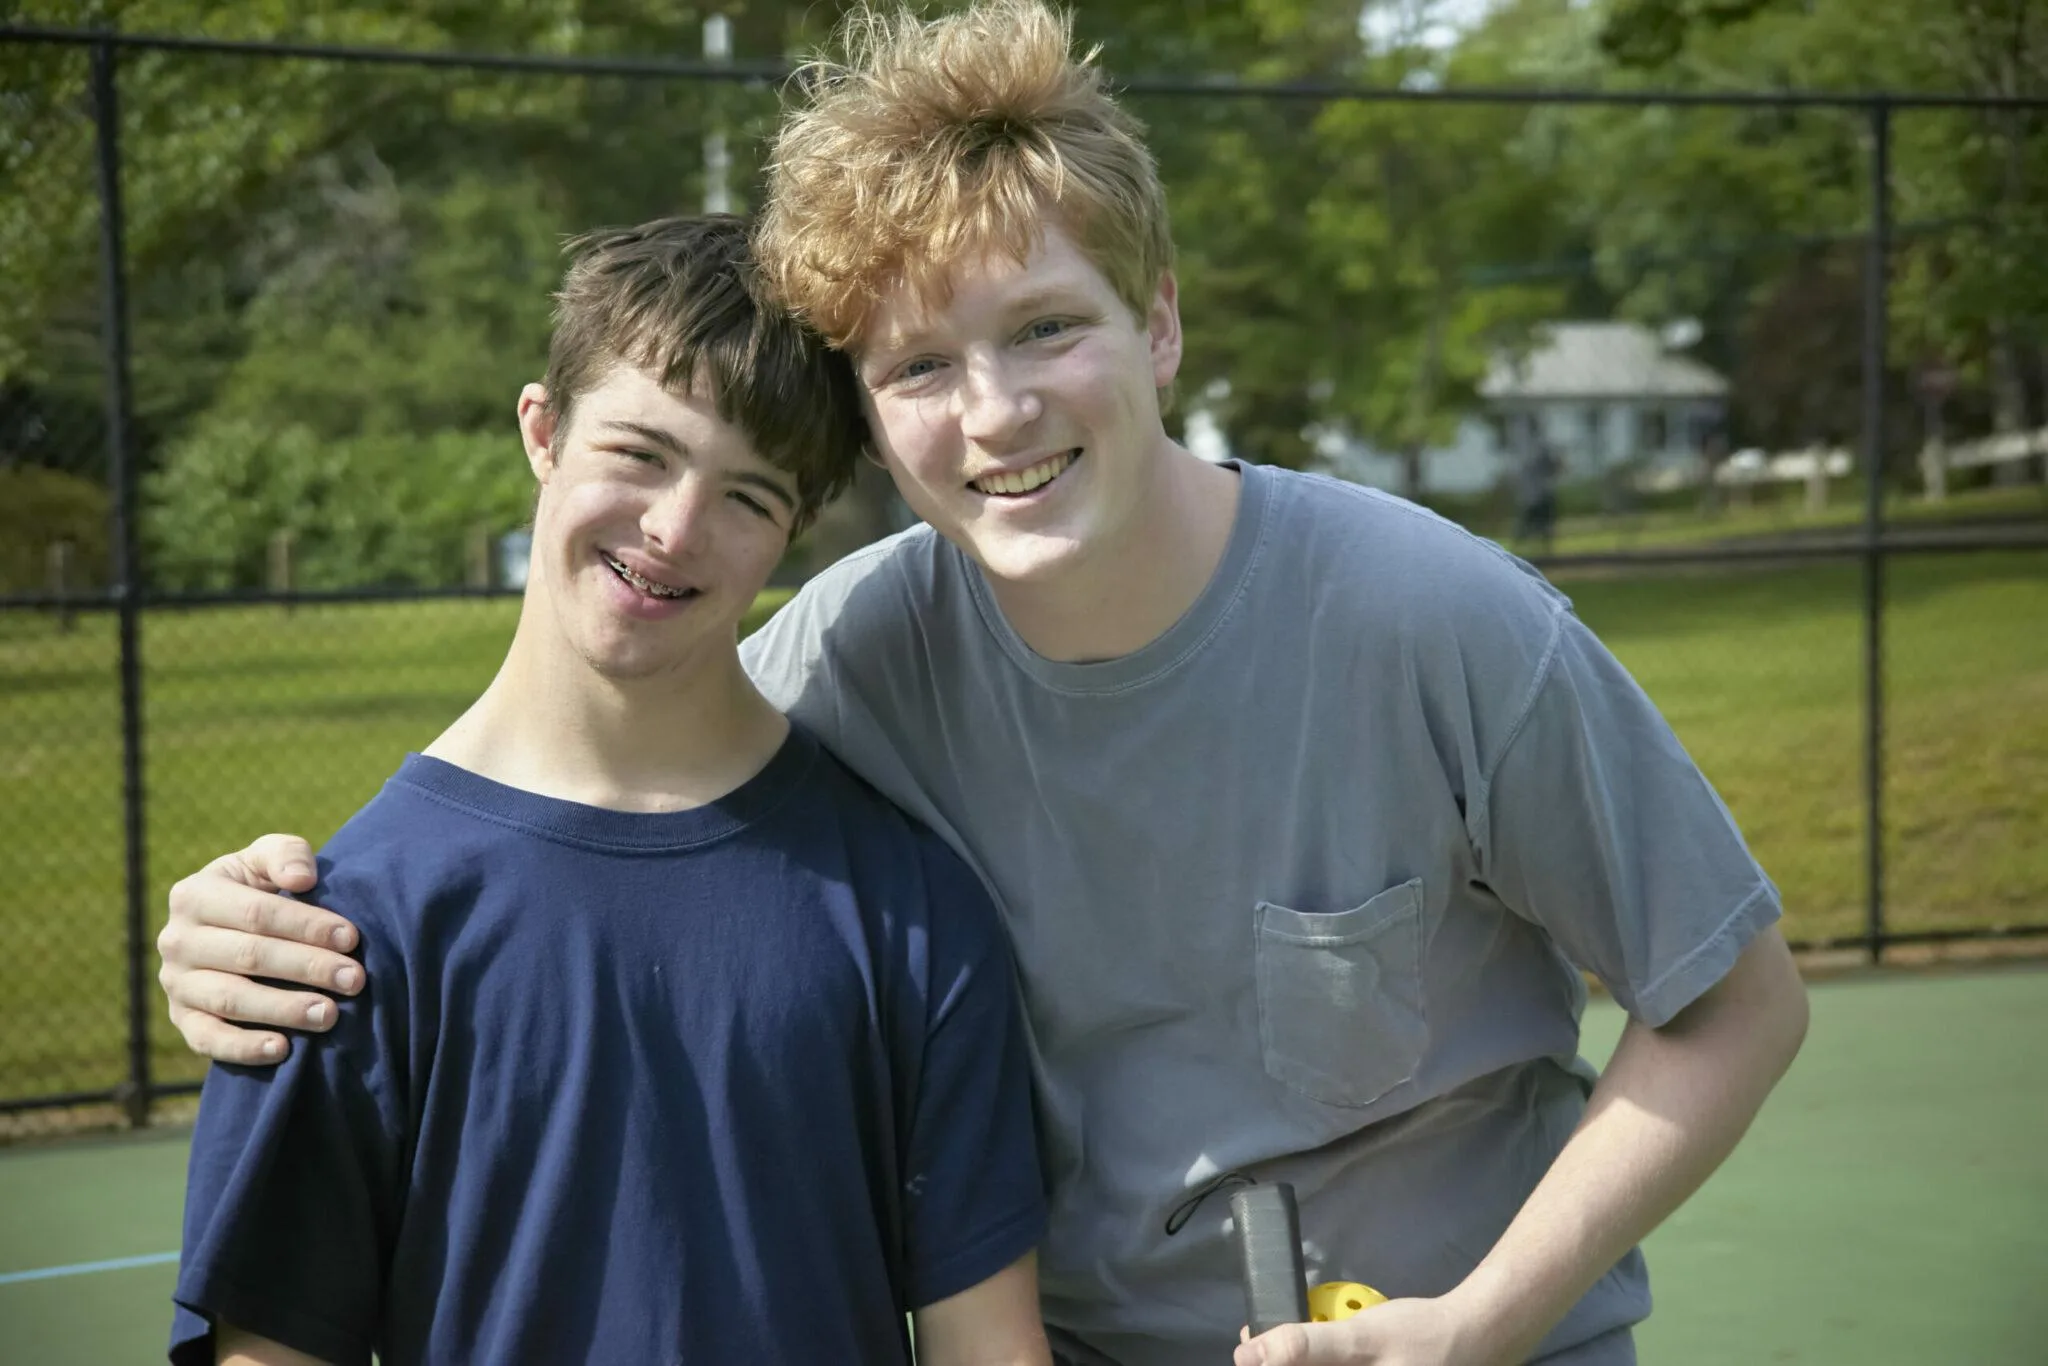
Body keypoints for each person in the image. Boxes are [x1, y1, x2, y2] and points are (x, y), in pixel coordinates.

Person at [154, 5, 1810, 1364]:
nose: (995, 413)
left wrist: (1472, 1330)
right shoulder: (853, 659)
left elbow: (1736, 1003)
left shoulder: (1431, 620)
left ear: (1156, 324)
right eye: (919, 367)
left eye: (1044, 329)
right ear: (871, 420)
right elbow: (582, 786)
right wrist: (265, 917)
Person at [164, 215, 1051, 1366]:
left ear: (794, 528)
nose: (674, 528)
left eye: (747, 495)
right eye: (639, 452)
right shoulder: (333, 938)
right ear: (542, 429)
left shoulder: (909, 907)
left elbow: (990, 1347)